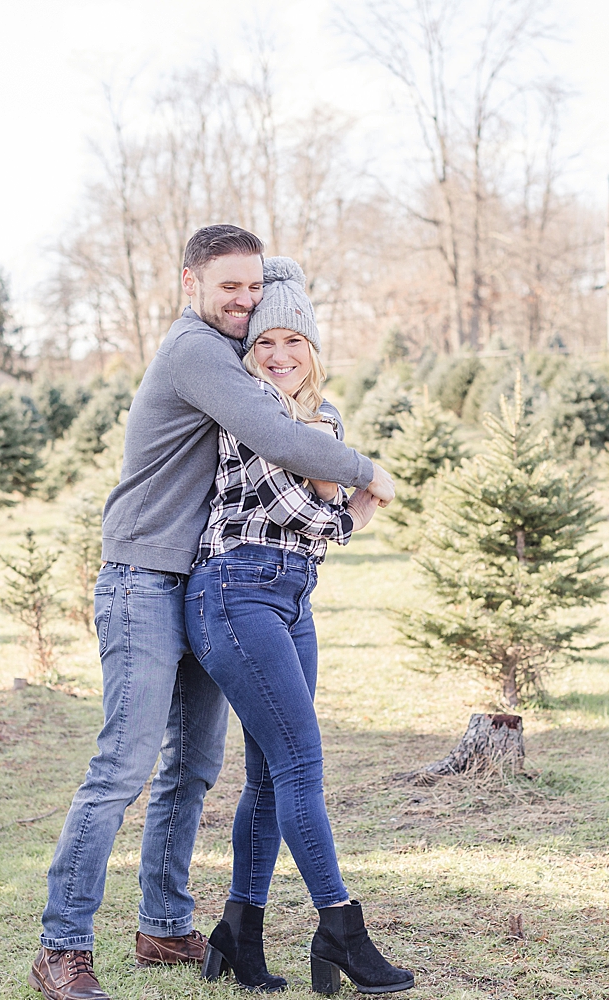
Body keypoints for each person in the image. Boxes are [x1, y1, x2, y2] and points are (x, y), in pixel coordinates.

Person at [31, 225, 396, 1000]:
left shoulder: (241, 347)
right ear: (188, 284)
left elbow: (283, 338)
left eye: (253, 286)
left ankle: (164, 925)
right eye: (228, 286)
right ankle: (62, 946)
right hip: (141, 577)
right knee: (122, 768)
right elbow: (275, 433)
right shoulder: (195, 348)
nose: (244, 300)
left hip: (199, 575)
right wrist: (368, 473)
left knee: (193, 768)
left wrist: (280, 285)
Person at [191, 257, 415, 996]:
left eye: (294, 341)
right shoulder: (247, 414)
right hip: (234, 593)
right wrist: (356, 486)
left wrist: (352, 490)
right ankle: (341, 928)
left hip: (291, 600)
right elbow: (317, 515)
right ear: (247, 356)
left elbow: (329, 526)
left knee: (266, 778)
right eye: (263, 344)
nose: (280, 356)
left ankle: (239, 931)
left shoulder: (326, 420)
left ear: (314, 348)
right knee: (301, 765)